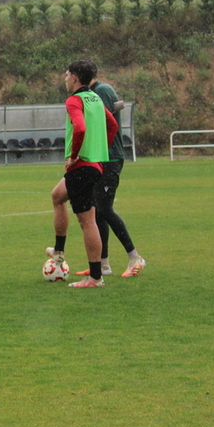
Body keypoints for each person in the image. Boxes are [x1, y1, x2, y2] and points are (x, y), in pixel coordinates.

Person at [45, 59, 119, 288]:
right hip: (94, 165)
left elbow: (80, 127)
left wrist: (75, 154)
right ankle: (58, 251)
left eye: (67, 75)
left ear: (75, 77)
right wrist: (99, 150)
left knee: (87, 221)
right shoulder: (95, 98)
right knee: (57, 196)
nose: (65, 78)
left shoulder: (74, 101)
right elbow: (113, 125)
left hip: (82, 167)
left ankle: (95, 277)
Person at [83, 72, 145, 277]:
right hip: (99, 158)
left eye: (68, 74)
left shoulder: (103, 90)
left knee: (104, 208)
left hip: (110, 158)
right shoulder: (93, 92)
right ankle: (103, 264)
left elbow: (106, 121)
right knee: (97, 211)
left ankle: (135, 257)